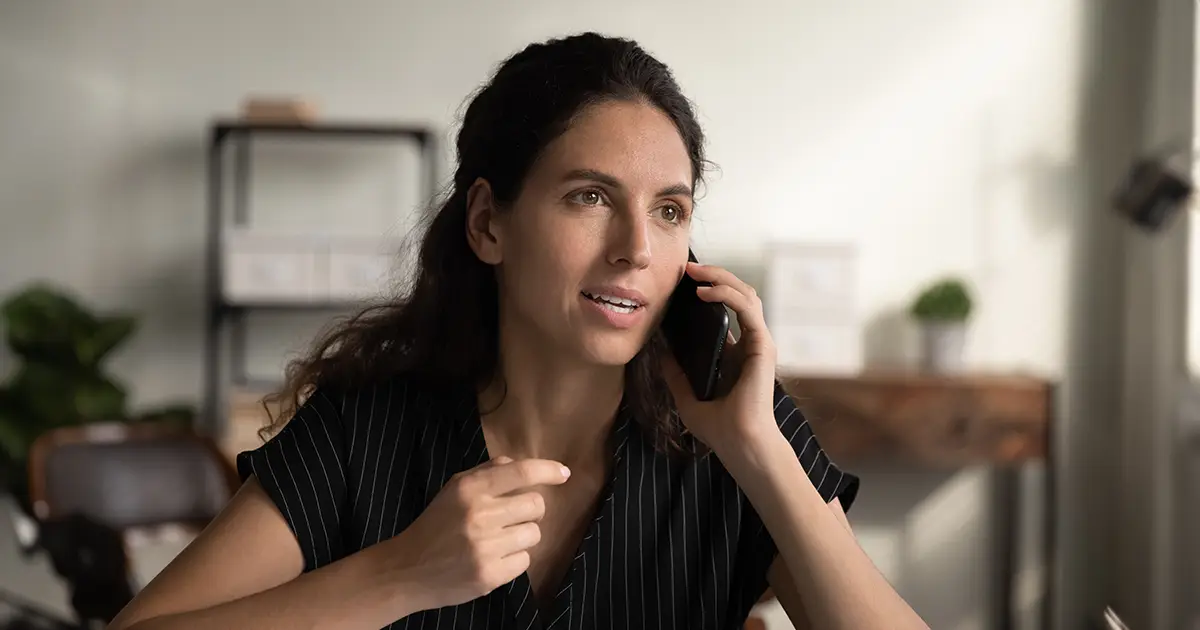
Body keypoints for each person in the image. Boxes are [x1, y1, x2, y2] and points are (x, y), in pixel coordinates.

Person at [108, 32, 927, 630]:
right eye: (590, 197)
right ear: (488, 223)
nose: (637, 250)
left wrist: (760, 456)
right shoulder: (368, 430)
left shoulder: (738, 439)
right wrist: (397, 575)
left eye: (670, 211)